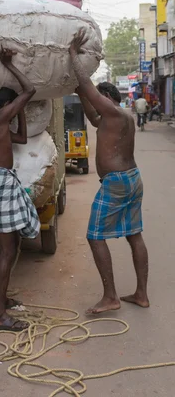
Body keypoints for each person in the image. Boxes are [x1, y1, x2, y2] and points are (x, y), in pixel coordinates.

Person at [69, 30, 149, 315]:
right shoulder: (118, 117)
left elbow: (88, 86)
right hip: (131, 180)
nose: (95, 105)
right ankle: (141, 294)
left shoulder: (115, 113)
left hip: (116, 183)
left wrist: (73, 55)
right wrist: (80, 92)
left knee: (94, 235)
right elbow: (92, 115)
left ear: (107, 98)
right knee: (134, 234)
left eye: (97, 99)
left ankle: (111, 296)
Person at [0, 47, 40, 332]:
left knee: (10, 247)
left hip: (0, 185)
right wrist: (9, 64)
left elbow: (24, 139)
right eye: (12, 108)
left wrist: (22, 111)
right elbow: (31, 89)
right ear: (6, 107)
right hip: (1, 187)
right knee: (6, 251)